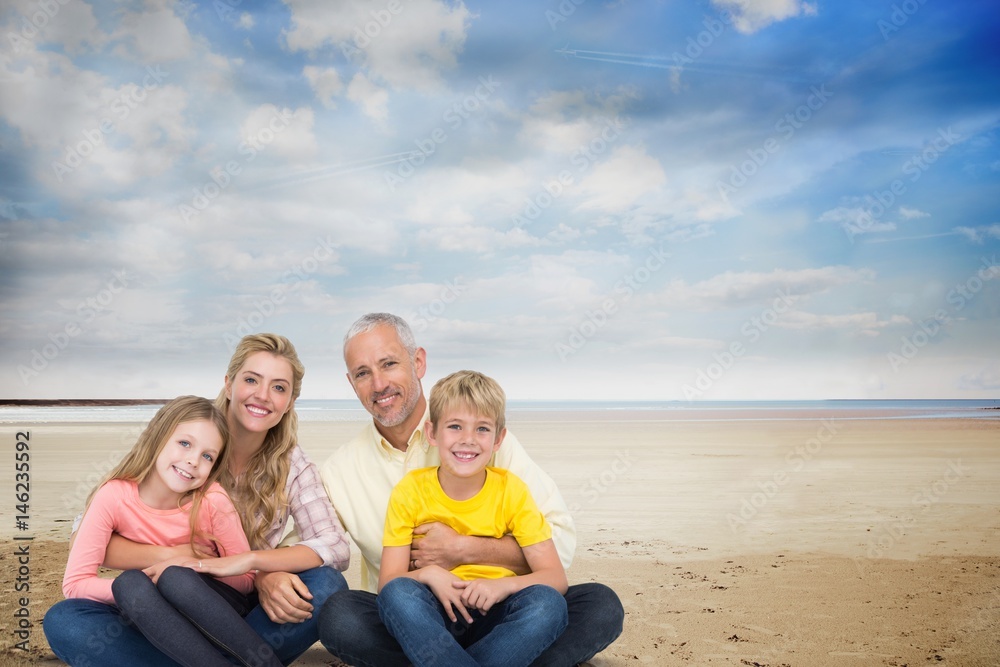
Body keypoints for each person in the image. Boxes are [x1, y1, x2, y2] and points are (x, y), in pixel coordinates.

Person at [318, 313, 623, 667]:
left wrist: (462, 550)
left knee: (598, 606)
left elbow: (562, 548)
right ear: (351, 382)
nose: (379, 383)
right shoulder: (340, 470)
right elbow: (318, 546)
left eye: (389, 363)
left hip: (503, 612)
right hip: (414, 620)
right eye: (363, 373)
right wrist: (271, 570)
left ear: (418, 362)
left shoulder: (488, 446)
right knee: (340, 616)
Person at [45, 334, 351, 666]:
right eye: (251, 380)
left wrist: (259, 567)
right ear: (229, 384)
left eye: (279, 387)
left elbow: (334, 545)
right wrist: (176, 556)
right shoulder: (182, 436)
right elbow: (83, 539)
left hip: (239, 608)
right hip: (155, 605)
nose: (263, 395)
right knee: (67, 620)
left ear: (290, 402)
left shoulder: (292, 465)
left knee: (327, 585)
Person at [52, 395, 282, 667]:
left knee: (175, 579)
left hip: (218, 615)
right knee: (74, 614)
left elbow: (246, 579)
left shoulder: (212, 500)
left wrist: (194, 566)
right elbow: (75, 583)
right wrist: (154, 585)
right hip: (155, 619)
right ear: (158, 436)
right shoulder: (113, 496)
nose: (193, 461)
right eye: (184, 443)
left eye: (207, 456)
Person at [378, 370, 569, 667]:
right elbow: (389, 583)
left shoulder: (512, 490)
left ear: (498, 439)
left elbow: (555, 578)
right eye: (455, 426)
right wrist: (428, 574)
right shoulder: (410, 491)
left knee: (551, 606)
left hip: (498, 612)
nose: (468, 440)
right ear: (432, 433)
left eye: (482, 429)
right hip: (432, 615)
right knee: (386, 600)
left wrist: (502, 587)